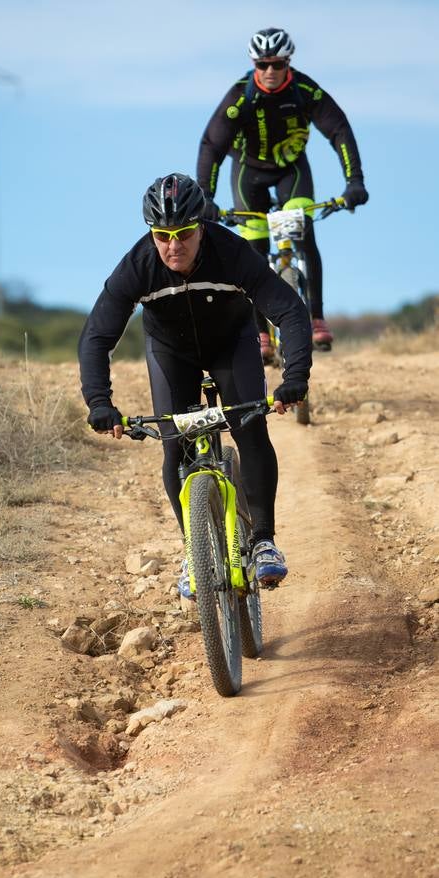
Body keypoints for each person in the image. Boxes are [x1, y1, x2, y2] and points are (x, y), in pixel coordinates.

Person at [78, 173, 312, 598]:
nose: (173, 245)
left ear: (201, 225)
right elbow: (97, 337)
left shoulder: (232, 253)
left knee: (250, 429)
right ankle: (195, 552)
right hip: (172, 353)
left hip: (231, 345)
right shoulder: (138, 266)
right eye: (162, 235)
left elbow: (291, 313)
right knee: (175, 446)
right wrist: (99, 401)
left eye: (184, 233)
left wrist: (293, 377)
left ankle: (262, 540)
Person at [196, 26, 369, 356]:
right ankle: (261, 332)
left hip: (292, 170)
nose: (270, 71)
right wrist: (206, 195)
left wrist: (354, 181)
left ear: (288, 62)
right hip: (249, 172)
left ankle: (317, 317)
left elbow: (339, 131)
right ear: (254, 65)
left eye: (277, 64)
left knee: (303, 233)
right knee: (253, 253)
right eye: (263, 65)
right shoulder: (239, 96)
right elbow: (211, 146)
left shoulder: (304, 90)